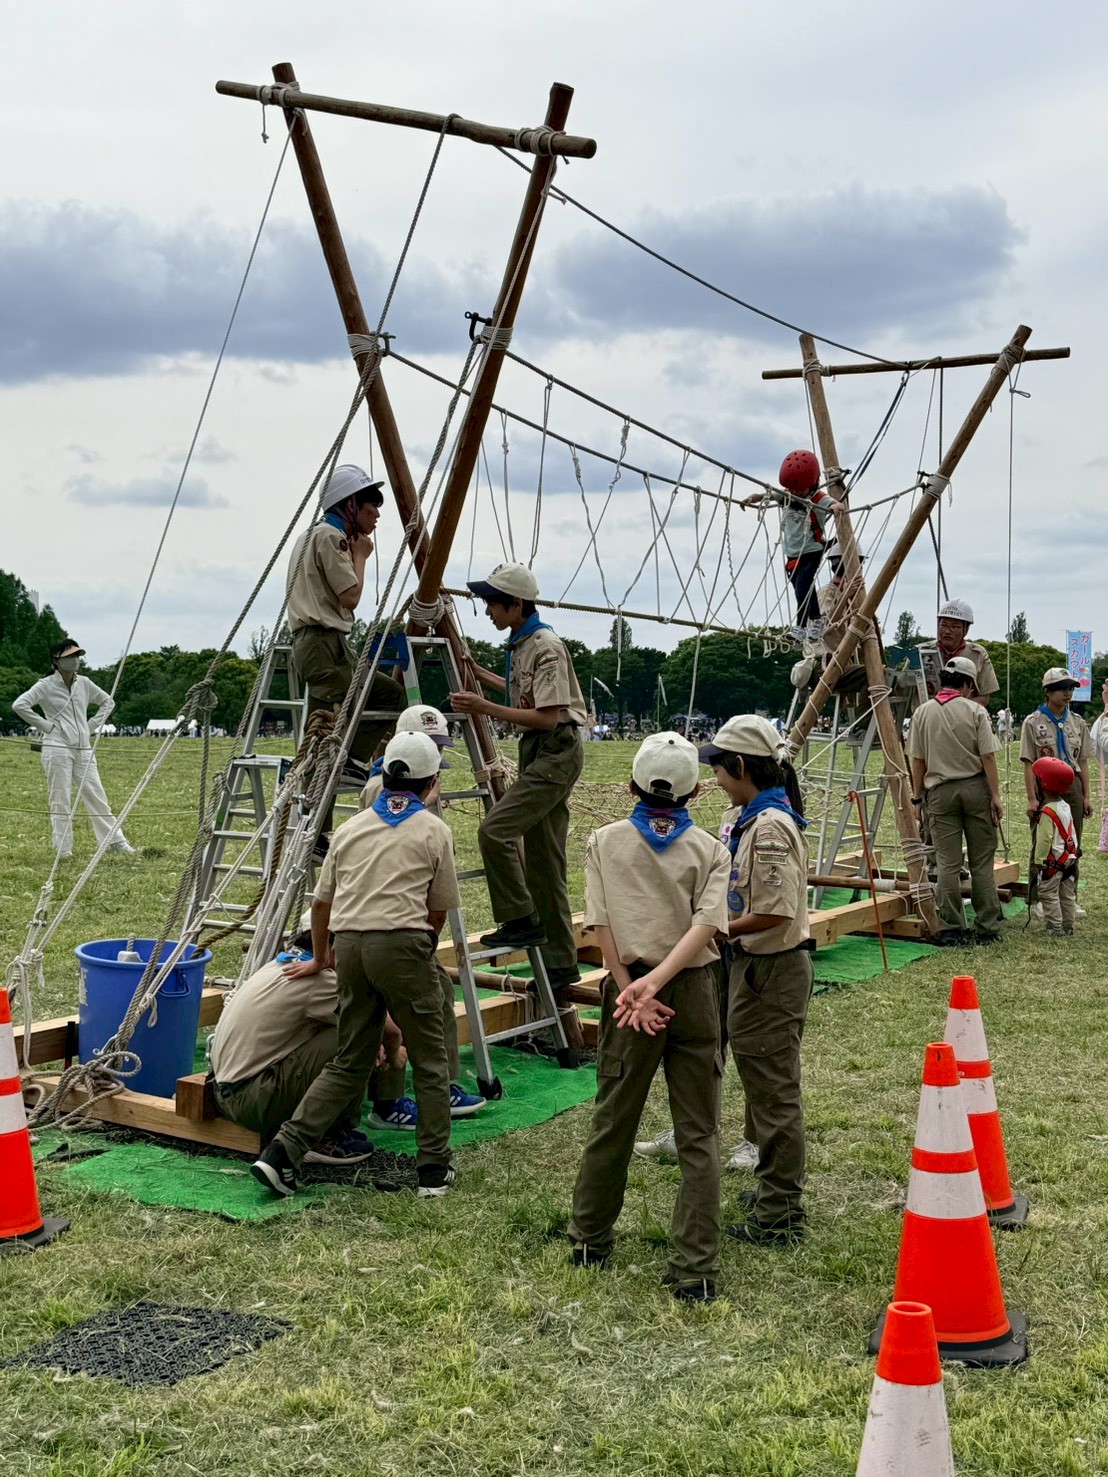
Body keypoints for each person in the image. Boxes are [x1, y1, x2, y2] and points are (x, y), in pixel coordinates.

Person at [251, 731, 459, 1199]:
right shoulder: (434, 831)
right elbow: (438, 910)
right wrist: (421, 949)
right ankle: (433, 1170)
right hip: (402, 944)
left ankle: (283, 1152)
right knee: (430, 1059)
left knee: (350, 1058)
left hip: (347, 945)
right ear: (431, 783)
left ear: (385, 777)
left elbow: (321, 904)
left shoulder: (349, 828)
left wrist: (320, 956)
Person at [567, 733, 730, 1302]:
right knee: (698, 1132)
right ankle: (696, 1267)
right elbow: (706, 925)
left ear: (631, 785)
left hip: (627, 990)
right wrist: (658, 983)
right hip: (692, 990)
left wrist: (631, 987)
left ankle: (589, 1238)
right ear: (695, 792)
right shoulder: (710, 849)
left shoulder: (604, 840)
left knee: (614, 1118)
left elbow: (600, 923)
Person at [699, 714, 813, 1244]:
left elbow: (774, 911)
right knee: (764, 1084)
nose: (717, 780)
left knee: (773, 1093)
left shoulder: (768, 827)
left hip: (771, 969)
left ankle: (779, 1212)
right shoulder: (753, 817)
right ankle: (773, 1188)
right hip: (756, 967)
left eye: (720, 769)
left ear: (741, 766)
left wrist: (713, 929)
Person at [450, 562, 586, 998]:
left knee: (495, 831)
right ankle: (562, 964)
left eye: (493, 603)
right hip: (539, 751)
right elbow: (522, 696)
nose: (487, 610)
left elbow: (546, 717)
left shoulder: (546, 646)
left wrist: (481, 707)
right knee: (545, 864)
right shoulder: (521, 643)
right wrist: (481, 677)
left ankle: (521, 919)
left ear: (516, 603)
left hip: (554, 749)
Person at [357, 704, 485, 1125]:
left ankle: (406, 1094)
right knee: (421, 1000)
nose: (436, 752)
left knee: (417, 998)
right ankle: (408, 1096)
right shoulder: (383, 792)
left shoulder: (394, 785)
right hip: (395, 921)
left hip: (378, 920)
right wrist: (426, 940)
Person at [208, 923, 404, 1157]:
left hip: (225, 1093)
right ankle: (330, 1136)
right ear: (332, 950)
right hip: (251, 1102)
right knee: (358, 1037)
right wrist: (394, 1054)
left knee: (353, 1028)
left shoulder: (279, 964)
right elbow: (388, 1030)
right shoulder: (319, 980)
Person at [285, 463, 404, 823]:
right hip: (324, 644)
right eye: (371, 507)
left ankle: (343, 773)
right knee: (334, 732)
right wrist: (360, 556)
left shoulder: (311, 536)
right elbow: (350, 596)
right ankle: (348, 770)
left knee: (378, 701)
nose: (377, 515)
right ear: (350, 505)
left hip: (324, 644)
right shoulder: (330, 537)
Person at [908, 656, 1004, 947]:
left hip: (939, 792)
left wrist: (916, 797)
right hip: (975, 788)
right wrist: (996, 795)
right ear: (968, 684)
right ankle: (987, 926)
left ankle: (951, 928)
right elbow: (987, 756)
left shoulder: (922, 712)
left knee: (947, 864)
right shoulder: (976, 711)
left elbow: (917, 760)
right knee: (981, 862)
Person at [14, 640, 133, 857]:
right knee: (60, 798)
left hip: (83, 748)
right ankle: (63, 849)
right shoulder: (46, 685)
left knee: (96, 795)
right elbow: (20, 705)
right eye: (69, 656)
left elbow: (108, 702)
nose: (75, 660)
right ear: (56, 660)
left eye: (77, 656)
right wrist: (46, 726)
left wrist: (90, 727)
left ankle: (114, 841)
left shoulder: (84, 683)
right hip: (57, 747)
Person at [741, 450, 842, 641]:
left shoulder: (819, 499)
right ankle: (816, 619)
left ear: (813, 484)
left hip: (812, 550)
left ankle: (800, 627)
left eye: (800, 490)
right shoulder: (786, 495)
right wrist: (751, 499)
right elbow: (764, 495)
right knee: (801, 588)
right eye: (792, 489)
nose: (795, 493)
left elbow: (836, 505)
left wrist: (836, 507)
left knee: (803, 585)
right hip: (792, 553)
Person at [1020, 667, 1092, 918]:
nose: (1067, 693)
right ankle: (1039, 897)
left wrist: (1086, 796)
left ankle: (1069, 898)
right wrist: (1032, 798)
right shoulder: (1033, 722)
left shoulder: (1077, 722)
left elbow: (1082, 762)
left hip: (1071, 785)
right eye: (1062, 688)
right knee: (1043, 842)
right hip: (1044, 788)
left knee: (1072, 842)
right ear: (1048, 692)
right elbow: (1028, 763)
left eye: (1070, 688)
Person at [1029, 757, 1080, 938]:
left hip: (1053, 861)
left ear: (1043, 785)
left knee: (1048, 893)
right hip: (1069, 859)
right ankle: (1068, 925)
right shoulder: (1065, 806)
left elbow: (1044, 840)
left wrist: (1039, 861)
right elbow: (1071, 832)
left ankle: (1054, 927)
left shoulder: (1047, 812)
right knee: (1067, 894)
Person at [918, 599, 998, 708]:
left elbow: (984, 697)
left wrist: (957, 710)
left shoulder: (977, 654)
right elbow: (900, 688)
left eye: (954, 627)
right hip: (925, 715)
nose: (947, 631)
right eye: (943, 625)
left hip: (962, 716)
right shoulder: (920, 652)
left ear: (966, 629)